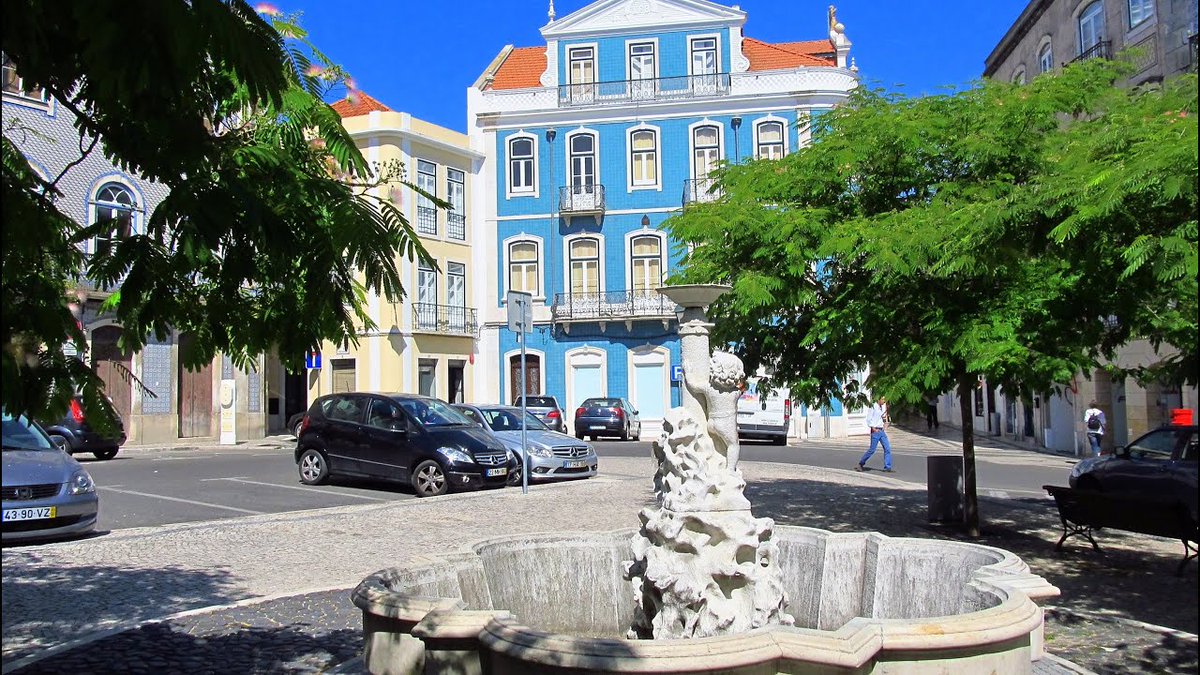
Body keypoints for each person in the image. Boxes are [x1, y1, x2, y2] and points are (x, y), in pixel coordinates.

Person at [856, 395, 893, 472]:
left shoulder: (881, 408)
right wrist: (873, 428)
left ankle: (887, 467)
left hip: (881, 430)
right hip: (875, 431)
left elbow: (880, 418)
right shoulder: (873, 407)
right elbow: (869, 418)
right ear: (878, 399)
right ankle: (861, 463)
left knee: (887, 448)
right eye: (883, 399)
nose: (884, 401)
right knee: (872, 450)